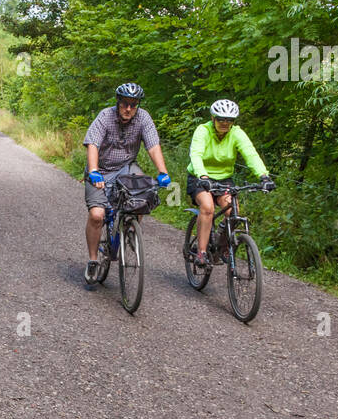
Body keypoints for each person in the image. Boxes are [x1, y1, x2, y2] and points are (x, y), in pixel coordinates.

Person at [84, 84, 171, 282]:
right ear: (118, 102)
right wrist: (94, 171)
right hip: (101, 170)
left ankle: (130, 230)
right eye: (125, 104)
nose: (129, 109)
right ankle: (93, 260)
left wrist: (163, 171)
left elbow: (153, 145)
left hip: (126, 168)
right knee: (97, 215)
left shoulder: (143, 118)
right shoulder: (105, 117)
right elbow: (93, 144)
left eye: (133, 105)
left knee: (142, 195)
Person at [186, 99, 275, 268]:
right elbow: (196, 154)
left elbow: (251, 154)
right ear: (213, 118)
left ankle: (222, 242)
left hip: (224, 178)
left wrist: (264, 176)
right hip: (199, 177)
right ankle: (202, 252)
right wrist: (203, 176)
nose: (225, 123)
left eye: (229, 120)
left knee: (233, 212)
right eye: (221, 119)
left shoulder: (237, 133)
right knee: (207, 207)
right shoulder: (202, 131)